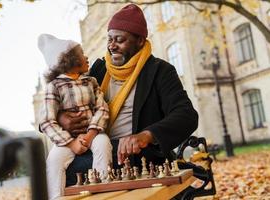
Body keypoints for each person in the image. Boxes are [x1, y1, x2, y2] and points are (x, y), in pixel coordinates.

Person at [58, 4, 199, 186]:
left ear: (140, 41)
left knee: (73, 168)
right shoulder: (98, 70)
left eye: (120, 40)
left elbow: (186, 116)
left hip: (137, 157)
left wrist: (146, 135)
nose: (112, 46)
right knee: (58, 165)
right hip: (96, 149)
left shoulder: (160, 71)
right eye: (109, 39)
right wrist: (61, 117)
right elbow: (60, 94)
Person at [38, 34, 112, 200]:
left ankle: (104, 192)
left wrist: (91, 134)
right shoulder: (54, 87)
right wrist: (71, 143)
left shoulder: (91, 82)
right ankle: (56, 197)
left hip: (92, 134)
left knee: (103, 144)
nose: (86, 57)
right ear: (69, 60)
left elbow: (102, 109)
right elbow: (47, 121)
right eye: (81, 54)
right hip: (66, 141)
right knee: (54, 161)